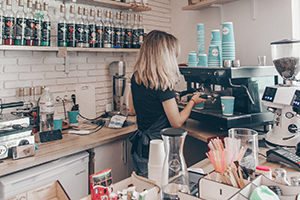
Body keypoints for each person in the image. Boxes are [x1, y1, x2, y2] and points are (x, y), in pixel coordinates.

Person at [128, 30, 206, 177]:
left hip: (140, 149)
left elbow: (132, 110)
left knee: (147, 190)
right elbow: (176, 122)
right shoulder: (163, 84)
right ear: (165, 56)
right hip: (158, 151)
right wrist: (193, 101)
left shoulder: (136, 77)